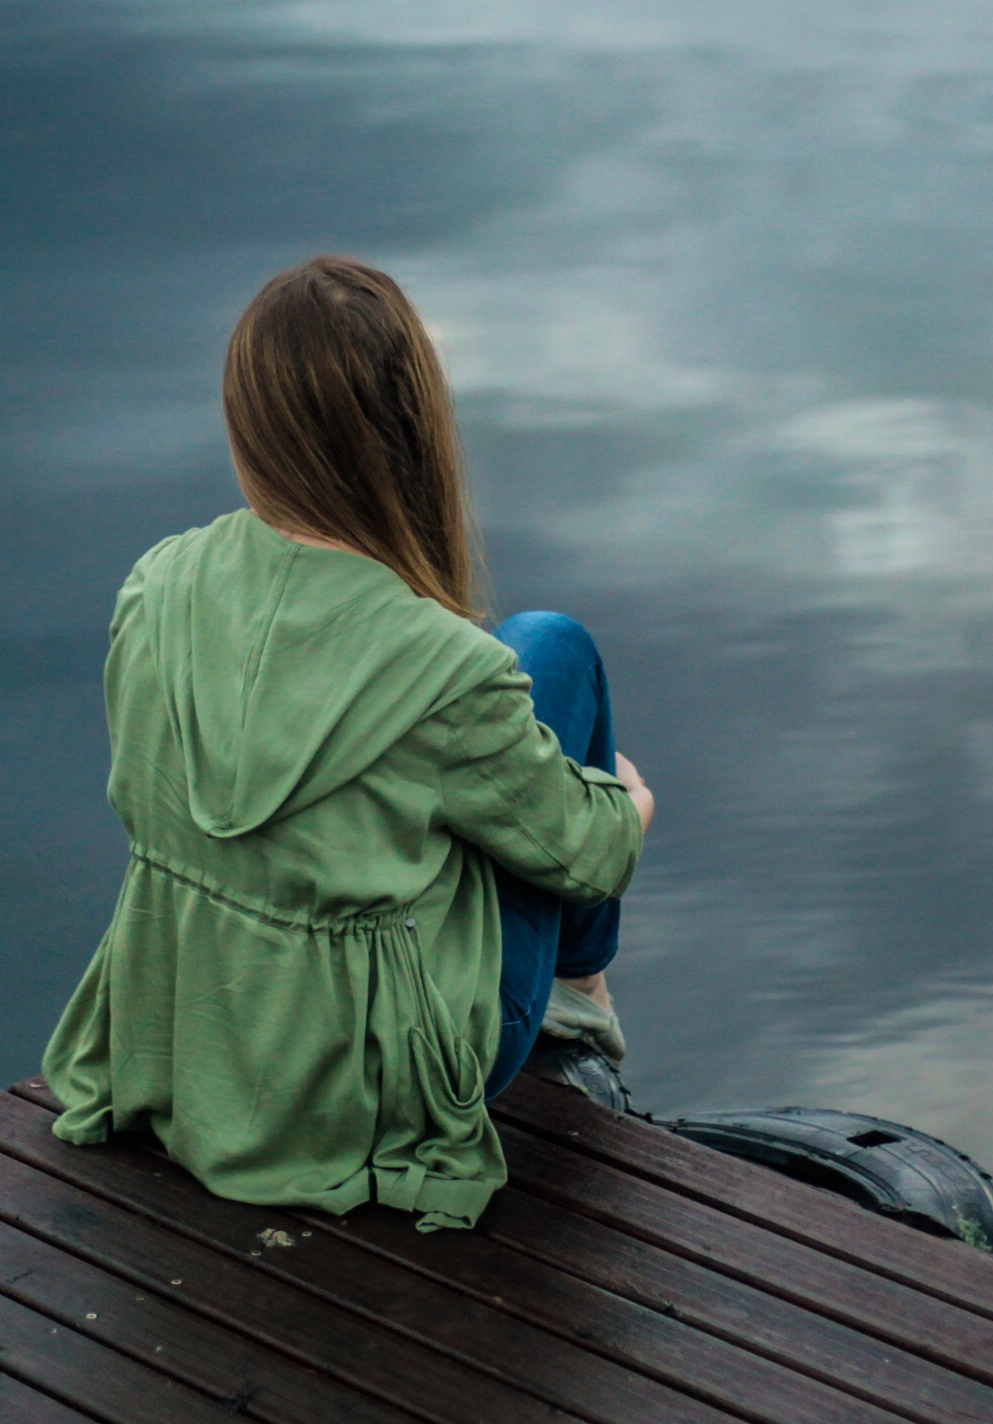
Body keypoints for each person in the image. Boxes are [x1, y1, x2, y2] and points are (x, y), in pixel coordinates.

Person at [40, 256, 656, 1231]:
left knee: (518, 674)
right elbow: (596, 856)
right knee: (552, 648)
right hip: (369, 1095)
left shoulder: (154, 588)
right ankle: (579, 1004)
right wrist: (625, 800)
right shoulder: (449, 671)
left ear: (248, 426)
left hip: (195, 1047)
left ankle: (567, 993)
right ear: (411, 432)